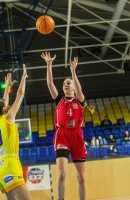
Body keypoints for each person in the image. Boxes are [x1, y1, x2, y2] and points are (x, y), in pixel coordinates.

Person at [42, 52, 87, 200]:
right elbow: (49, 84)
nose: (66, 85)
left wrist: (73, 71)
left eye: (69, 83)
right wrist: (49, 65)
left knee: (81, 177)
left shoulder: (79, 100)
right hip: (62, 135)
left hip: (77, 135)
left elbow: (80, 90)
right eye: (64, 84)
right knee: (62, 173)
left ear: (73, 86)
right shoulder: (59, 100)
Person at [0, 66, 31, 200]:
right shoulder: (8, 117)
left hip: (1, 167)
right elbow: (20, 94)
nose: (8, 104)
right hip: (10, 164)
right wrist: (24, 78)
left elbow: (4, 100)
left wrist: (7, 87)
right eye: (7, 105)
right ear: (5, 109)